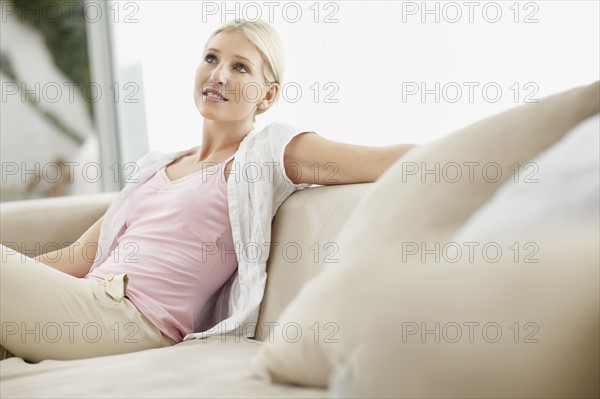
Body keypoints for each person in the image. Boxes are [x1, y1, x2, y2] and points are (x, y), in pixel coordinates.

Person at [0, 19, 415, 363]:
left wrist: (473, 155)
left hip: (130, 321)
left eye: (240, 68)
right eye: (212, 58)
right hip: (84, 300)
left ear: (267, 95)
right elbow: (78, 256)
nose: (218, 75)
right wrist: (21, 277)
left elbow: (382, 159)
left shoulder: (262, 155)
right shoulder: (155, 166)